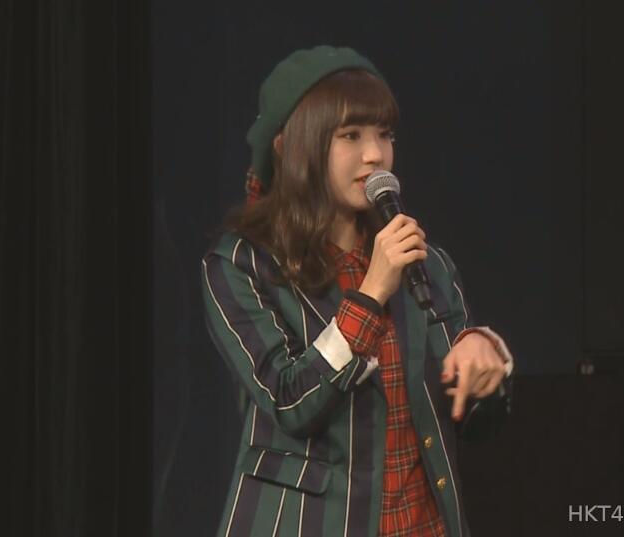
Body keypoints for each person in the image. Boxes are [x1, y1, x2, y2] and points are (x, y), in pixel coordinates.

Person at [202, 45, 514, 537]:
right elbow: (289, 403)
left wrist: (483, 365)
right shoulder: (242, 264)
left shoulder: (422, 261)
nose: (375, 154)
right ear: (291, 146)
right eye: (351, 135)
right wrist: (370, 294)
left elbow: (474, 423)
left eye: (384, 134)